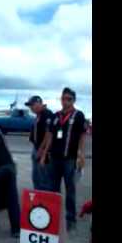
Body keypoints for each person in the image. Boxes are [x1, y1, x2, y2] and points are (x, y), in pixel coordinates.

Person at [43, 87, 87, 231]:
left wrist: (81, 154)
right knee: (53, 189)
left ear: (73, 100)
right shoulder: (56, 116)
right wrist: (44, 155)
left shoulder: (78, 115)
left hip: (69, 159)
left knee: (70, 189)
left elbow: (82, 135)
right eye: (63, 98)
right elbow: (49, 136)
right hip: (54, 159)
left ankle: (70, 219)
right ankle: (53, 216)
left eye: (69, 99)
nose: (65, 101)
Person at [25, 95, 54, 191]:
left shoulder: (47, 114)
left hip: (43, 151)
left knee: (44, 179)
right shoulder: (38, 115)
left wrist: (41, 151)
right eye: (30, 106)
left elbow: (48, 134)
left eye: (32, 105)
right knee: (36, 177)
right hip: (36, 148)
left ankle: (44, 200)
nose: (31, 108)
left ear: (39, 103)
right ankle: (37, 198)